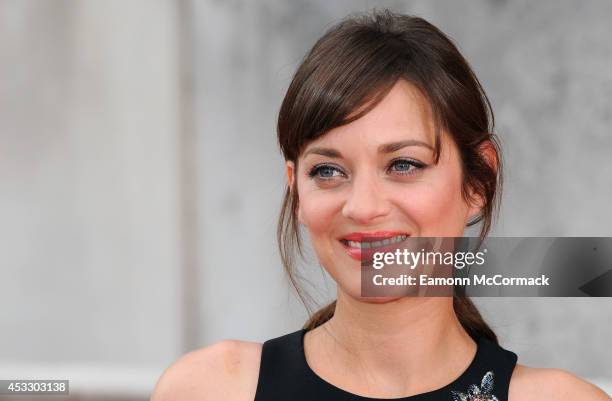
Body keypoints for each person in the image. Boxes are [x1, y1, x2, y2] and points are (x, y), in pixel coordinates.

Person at [151, 10, 609, 401]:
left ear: (477, 180)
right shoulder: (213, 388)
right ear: (295, 190)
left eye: (404, 164)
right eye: (328, 171)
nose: (364, 206)